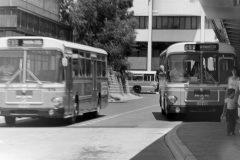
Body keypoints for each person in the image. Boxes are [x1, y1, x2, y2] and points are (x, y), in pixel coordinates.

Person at [221, 67, 239, 136]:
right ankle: (229, 131)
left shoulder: (238, 79)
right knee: (229, 118)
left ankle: (232, 131)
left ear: (236, 71)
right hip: (229, 97)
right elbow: (227, 89)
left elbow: (238, 89)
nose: (234, 71)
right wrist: (226, 97)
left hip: (235, 98)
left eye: (235, 70)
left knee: (234, 118)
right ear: (231, 71)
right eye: (233, 70)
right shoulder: (229, 79)